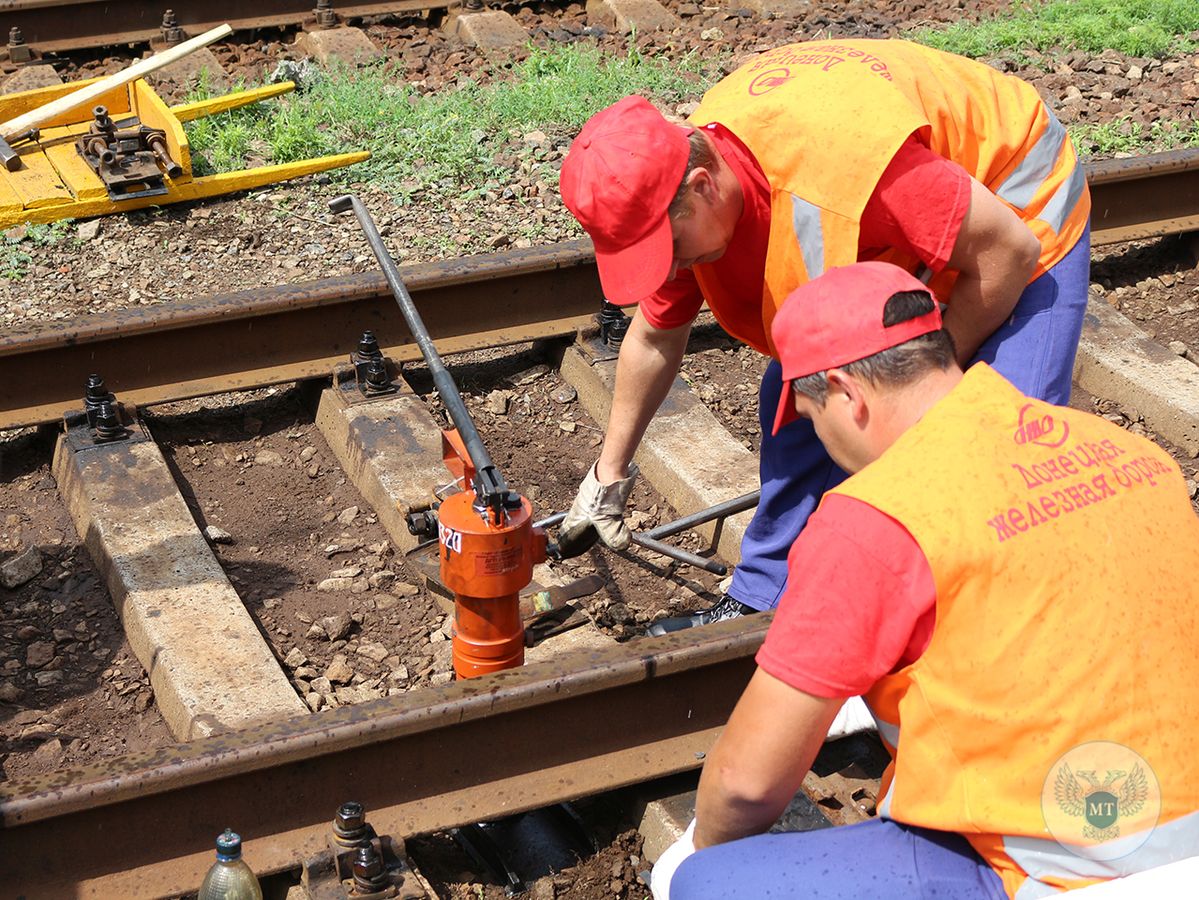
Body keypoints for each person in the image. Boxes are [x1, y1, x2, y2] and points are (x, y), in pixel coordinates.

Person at [649, 262, 1199, 899]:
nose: (822, 442)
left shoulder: (876, 515)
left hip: (1064, 869)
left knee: (710, 883)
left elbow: (745, 787)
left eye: (811, 417)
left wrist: (694, 854)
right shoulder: (1130, 454)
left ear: (845, 394)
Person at [557, 38, 1092, 633]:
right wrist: (609, 474)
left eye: (669, 249)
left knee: (997, 447)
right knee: (801, 394)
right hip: (905, 223)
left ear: (705, 185)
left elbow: (1006, 254)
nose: (671, 268)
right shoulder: (688, 201)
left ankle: (1001, 621)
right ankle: (768, 596)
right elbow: (655, 336)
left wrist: (923, 384)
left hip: (1012, 204)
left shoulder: (845, 167)